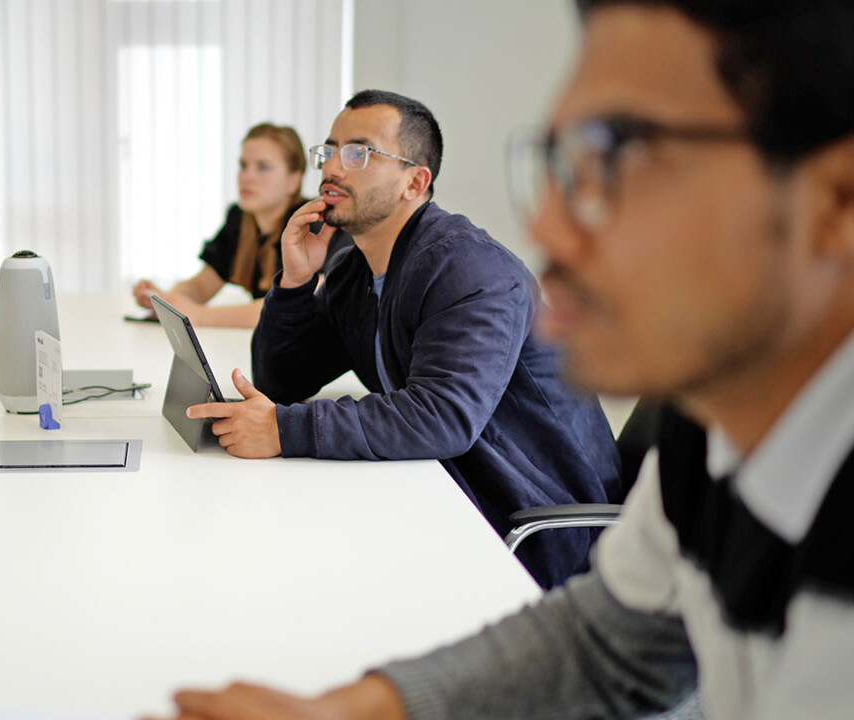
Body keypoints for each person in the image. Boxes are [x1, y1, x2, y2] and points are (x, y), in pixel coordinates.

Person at [166, 1, 854, 718]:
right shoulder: (710, 436)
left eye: (624, 154)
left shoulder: (469, 269)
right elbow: (601, 643)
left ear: (835, 202)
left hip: (522, 525)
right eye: (560, 161)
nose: (547, 223)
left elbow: (443, 417)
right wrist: (350, 710)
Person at [188, 90, 619, 589]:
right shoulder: (354, 270)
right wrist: (295, 282)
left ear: (415, 181)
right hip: (447, 494)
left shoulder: (469, 268)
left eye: (359, 153)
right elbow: (283, 379)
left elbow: (443, 417)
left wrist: (285, 430)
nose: (332, 168)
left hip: (534, 524)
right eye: (328, 151)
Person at [132, 123, 349, 328]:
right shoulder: (240, 221)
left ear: (294, 180)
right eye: (243, 166)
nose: (247, 177)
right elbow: (202, 285)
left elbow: (298, 303)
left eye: (263, 167)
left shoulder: (315, 222)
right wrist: (163, 300)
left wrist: (200, 316)